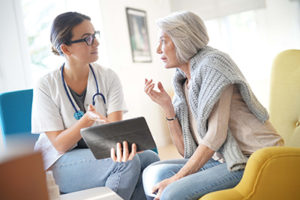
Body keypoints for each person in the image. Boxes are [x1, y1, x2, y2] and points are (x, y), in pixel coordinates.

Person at [143, 11, 284, 200]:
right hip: (221, 159)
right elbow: (186, 151)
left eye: (163, 41)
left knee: (172, 193)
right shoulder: (182, 79)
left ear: (182, 40)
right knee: (153, 174)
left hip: (252, 158)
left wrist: (176, 179)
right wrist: (168, 108)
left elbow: (215, 136)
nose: (158, 50)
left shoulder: (213, 64)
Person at [31, 12, 159, 200]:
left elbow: (115, 135)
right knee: (126, 164)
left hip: (96, 152)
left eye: (94, 35)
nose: (96, 43)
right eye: (87, 39)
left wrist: (128, 142)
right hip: (57, 162)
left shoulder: (108, 77)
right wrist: (86, 120)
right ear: (66, 49)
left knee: (151, 160)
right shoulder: (46, 85)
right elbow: (60, 144)